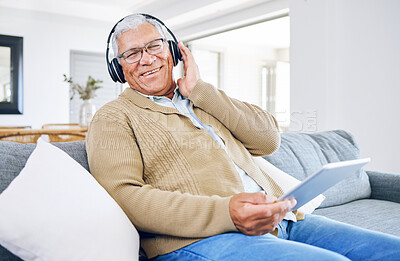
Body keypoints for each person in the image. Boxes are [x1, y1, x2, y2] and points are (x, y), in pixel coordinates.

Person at [86, 14, 400, 260]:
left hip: (284, 220)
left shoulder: (202, 99)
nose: (146, 58)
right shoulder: (113, 116)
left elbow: (268, 140)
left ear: (172, 52)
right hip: (200, 240)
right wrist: (226, 213)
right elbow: (125, 197)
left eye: (154, 46)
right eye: (131, 54)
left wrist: (201, 91)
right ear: (119, 69)